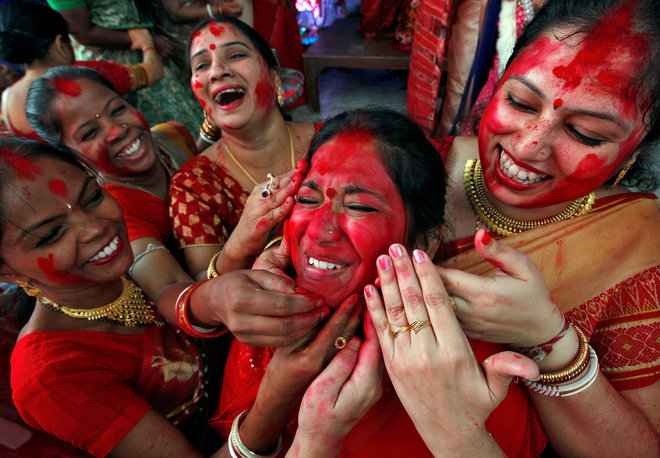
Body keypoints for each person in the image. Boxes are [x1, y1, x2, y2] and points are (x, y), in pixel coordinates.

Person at [210, 108, 548, 457]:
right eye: (307, 200)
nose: (317, 231)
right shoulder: (268, 319)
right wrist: (275, 401)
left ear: (423, 244)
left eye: (359, 206)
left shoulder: (464, 363)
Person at [0, 137, 350, 456]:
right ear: (5, 272)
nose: (95, 227)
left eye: (92, 197)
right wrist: (279, 391)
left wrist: (240, 246)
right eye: (51, 235)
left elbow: (176, 294)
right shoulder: (49, 375)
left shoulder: (115, 263)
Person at [432, 0, 659, 454]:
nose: (530, 145)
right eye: (519, 102)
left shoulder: (637, 239)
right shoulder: (404, 172)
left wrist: (547, 339)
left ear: (634, 151)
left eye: (586, 134)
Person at [25, 65, 325, 351]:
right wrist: (231, 265)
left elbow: (202, 175)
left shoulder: (170, 136)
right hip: (213, 327)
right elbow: (168, 287)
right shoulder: (113, 210)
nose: (116, 130)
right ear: (69, 156)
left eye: (118, 110)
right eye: (90, 133)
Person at [170, 16, 321, 287]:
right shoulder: (193, 184)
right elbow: (202, 290)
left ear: (275, 77)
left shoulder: (332, 141)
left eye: (236, 54)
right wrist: (239, 244)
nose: (217, 71)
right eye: (202, 65)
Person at [0, 0, 163, 140]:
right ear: (60, 44)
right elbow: (153, 72)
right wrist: (147, 44)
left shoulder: (8, 99)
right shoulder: (83, 76)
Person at [45, 0, 203, 135]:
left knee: (183, 122)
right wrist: (145, 42)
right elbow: (83, 32)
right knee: (142, 129)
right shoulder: (107, 73)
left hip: (150, 49)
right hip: (112, 59)